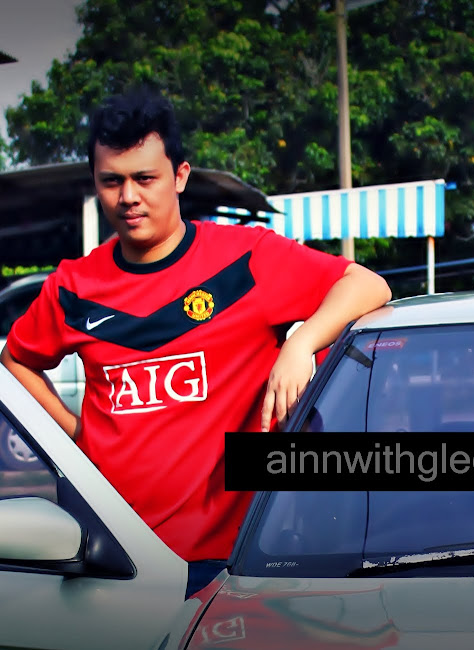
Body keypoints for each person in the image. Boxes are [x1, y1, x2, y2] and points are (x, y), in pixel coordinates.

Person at [0, 89, 391, 597]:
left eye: (145, 178)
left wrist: (300, 345)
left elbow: (367, 285)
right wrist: (76, 435)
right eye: (112, 181)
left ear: (180, 176)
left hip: (225, 562)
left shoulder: (245, 259)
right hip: (111, 556)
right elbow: (16, 361)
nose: (128, 196)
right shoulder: (73, 287)